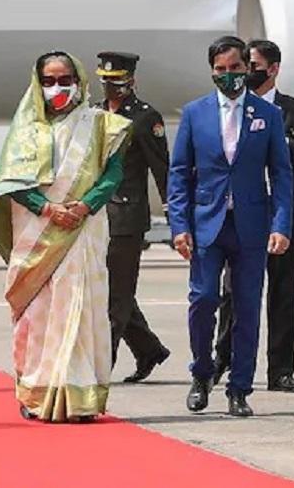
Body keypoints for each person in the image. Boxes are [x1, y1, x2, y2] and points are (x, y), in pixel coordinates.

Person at [0, 52, 130, 423]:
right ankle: (35, 393)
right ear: (37, 84)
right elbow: (13, 184)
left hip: (83, 229)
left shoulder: (101, 124)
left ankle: (80, 398)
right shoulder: (27, 129)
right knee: (38, 315)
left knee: (81, 311)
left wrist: (85, 205)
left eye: (65, 79)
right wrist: (48, 209)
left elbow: (113, 173)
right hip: (38, 233)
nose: (57, 88)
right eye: (48, 81)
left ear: (79, 82)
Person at [168, 36, 293, 418]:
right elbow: (179, 173)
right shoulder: (195, 113)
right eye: (220, 69)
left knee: (247, 308)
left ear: (246, 68)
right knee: (203, 299)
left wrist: (281, 224)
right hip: (207, 224)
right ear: (212, 71)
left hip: (251, 225)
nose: (228, 75)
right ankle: (201, 373)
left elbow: (281, 173)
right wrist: (179, 225)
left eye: (235, 68)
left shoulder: (267, 114)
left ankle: (239, 388)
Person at [213, 39, 294, 393]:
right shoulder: (233, 108)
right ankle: (222, 360)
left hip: (282, 217)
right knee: (232, 293)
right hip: (242, 215)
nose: (247, 72)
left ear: (273, 69)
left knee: (283, 295)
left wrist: (282, 141)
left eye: (254, 65)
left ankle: (280, 371)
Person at [93, 51, 172, 383]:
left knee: (116, 296)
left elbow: (162, 169)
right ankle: (148, 349)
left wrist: (175, 214)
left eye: (118, 81)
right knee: (109, 290)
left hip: (127, 218)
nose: (111, 88)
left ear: (131, 81)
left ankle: (99, 367)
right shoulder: (93, 114)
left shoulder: (144, 117)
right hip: (95, 216)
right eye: (106, 81)